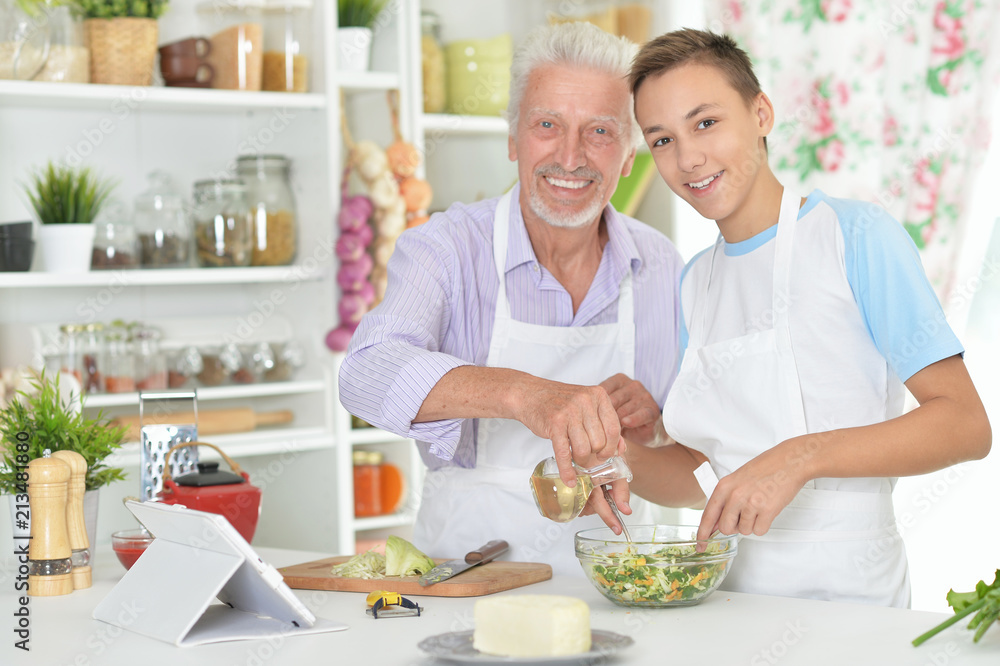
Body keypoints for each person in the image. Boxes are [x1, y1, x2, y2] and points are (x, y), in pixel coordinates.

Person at [626, 28, 992, 606]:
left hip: (850, 603)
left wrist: (801, 456)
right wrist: (616, 461)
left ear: (762, 113)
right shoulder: (696, 281)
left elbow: (966, 426)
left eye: (706, 123)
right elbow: (702, 472)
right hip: (730, 602)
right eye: (662, 139)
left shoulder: (854, 236)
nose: (688, 157)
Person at [339, 22, 685, 575]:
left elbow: (699, 449)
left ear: (628, 155)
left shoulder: (663, 265)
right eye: (547, 125)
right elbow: (365, 372)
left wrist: (657, 425)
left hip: (620, 584)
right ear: (512, 138)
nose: (570, 157)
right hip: (467, 579)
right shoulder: (447, 248)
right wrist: (525, 395)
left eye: (599, 131)